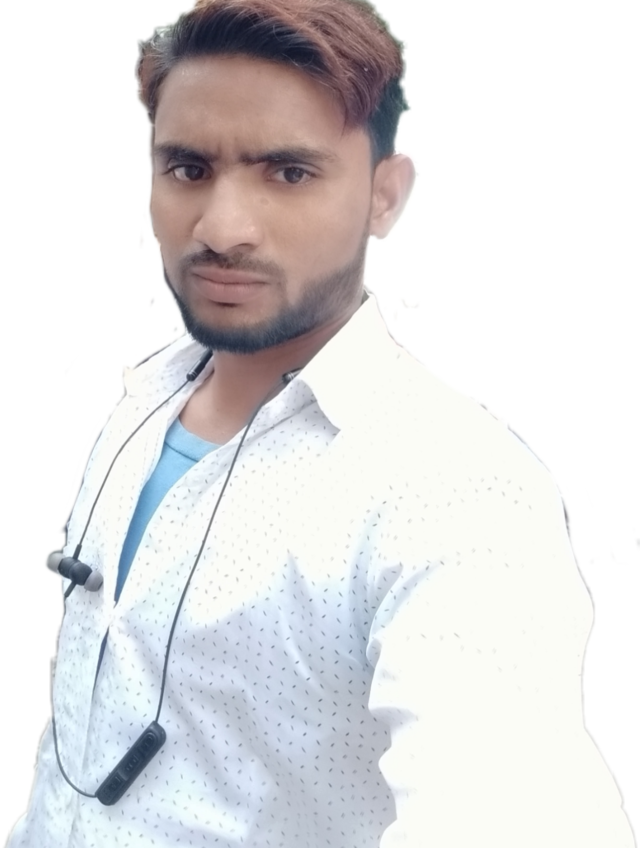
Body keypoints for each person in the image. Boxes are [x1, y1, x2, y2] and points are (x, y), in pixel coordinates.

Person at [5, 2, 634, 847]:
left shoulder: (452, 489)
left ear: (386, 196)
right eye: (188, 168)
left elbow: (508, 813)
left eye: (289, 173)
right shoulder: (148, 395)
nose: (222, 229)